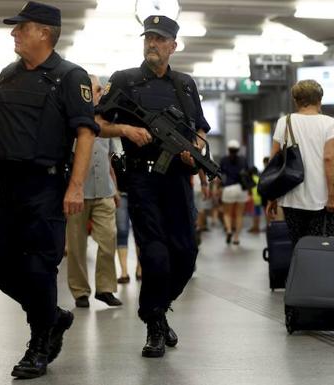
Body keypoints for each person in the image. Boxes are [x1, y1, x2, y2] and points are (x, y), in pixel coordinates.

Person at [0, 2, 98, 379]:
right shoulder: (8, 75)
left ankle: (39, 344)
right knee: (0, 267)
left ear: (44, 32)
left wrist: (76, 187)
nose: (14, 33)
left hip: (47, 187)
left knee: (39, 269)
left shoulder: (71, 76)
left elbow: (86, 134)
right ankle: (52, 317)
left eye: (21, 28)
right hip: (8, 188)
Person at [95, 15, 210, 358]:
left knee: (186, 255)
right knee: (156, 256)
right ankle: (154, 324)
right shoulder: (125, 81)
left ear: (173, 46)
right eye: (149, 38)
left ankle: (156, 308)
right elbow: (98, 122)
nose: (152, 44)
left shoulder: (185, 85)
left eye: (160, 39)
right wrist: (126, 131)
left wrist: (196, 150)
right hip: (142, 179)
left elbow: (201, 129)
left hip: (177, 180)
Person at [66, 75, 121, 308]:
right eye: (96, 89)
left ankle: (105, 288)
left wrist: (115, 189)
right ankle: (80, 291)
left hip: (104, 191)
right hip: (78, 193)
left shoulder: (106, 122)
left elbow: (108, 159)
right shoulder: (71, 122)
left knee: (109, 238)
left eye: (100, 90)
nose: (100, 93)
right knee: (77, 245)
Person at [266, 79, 334, 244]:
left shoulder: (284, 122)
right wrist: (333, 195)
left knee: (298, 246)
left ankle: (299, 270)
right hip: (322, 199)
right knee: (319, 248)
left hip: (291, 197)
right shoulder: (330, 123)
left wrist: (272, 196)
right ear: (319, 100)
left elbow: (274, 161)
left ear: (296, 101)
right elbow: (329, 158)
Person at [219, 140, 249, 245]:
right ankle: (236, 238)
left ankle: (228, 230)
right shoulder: (243, 160)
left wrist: (219, 188)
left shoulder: (224, 160)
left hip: (228, 188)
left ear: (228, 149)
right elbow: (248, 174)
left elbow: (220, 176)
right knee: (239, 215)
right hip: (241, 189)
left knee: (227, 213)